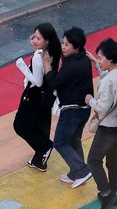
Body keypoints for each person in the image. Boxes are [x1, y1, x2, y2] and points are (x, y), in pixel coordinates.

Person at [43, 26, 94, 188]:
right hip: (84, 109)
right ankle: (75, 173)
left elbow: (53, 83)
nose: (63, 47)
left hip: (72, 110)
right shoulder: (82, 58)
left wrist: (47, 67)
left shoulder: (72, 66)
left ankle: (82, 170)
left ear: (76, 46)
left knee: (60, 142)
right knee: (73, 140)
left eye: (66, 44)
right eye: (62, 43)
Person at [85, 38, 117, 209]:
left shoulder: (107, 82)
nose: (99, 60)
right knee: (113, 161)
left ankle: (106, 193)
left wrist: (90, 100)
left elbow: (102, 106)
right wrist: (97, 64)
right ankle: (113, 192)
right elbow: (110, 79)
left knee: (93, 161)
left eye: (101, 58)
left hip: (107, 128)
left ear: (110, 59)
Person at [13, 23, 62, 172]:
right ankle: (40, 159)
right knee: (40, 126)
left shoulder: (38, 57)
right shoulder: (52, 52)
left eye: (37, 38)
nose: (34, 40)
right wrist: (36, 43)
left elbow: (37, 81)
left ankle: (45, 147)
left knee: (20, 126)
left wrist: (21, 66)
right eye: (33, 36)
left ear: (46, 41)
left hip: (33, 96)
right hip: (45, 96)